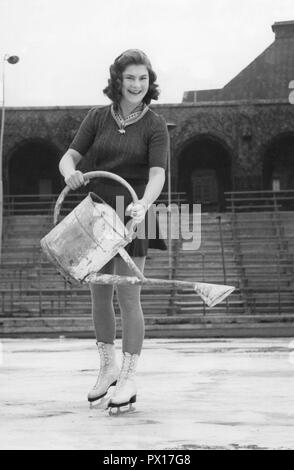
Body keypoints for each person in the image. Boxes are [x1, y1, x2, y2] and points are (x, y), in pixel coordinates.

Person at [58, 49, 169, 414]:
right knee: (99, 294)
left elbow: (157, 175)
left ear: (149, 82)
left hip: (133, 212)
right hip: (97, 211)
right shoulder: (97, 117)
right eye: (130, 78)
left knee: (128, 295)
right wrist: (69, 172)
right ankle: (108, 368)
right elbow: (70, 156)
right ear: (117, 81)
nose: (137, 85)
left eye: (143, 78)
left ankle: (130, 376)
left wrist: (145, 204)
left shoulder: (155, 125)